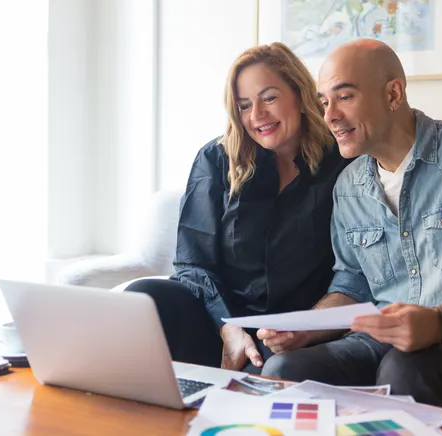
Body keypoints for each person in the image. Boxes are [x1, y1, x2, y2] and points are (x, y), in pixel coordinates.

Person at [257, 39, 442, 414]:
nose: (329, 115)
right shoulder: (348, 186)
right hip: (383, 343)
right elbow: (352, 282)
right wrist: (308, 327)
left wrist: (441, 323)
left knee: (405, 370)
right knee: (283, 369)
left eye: (345, 97)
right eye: (324, 102)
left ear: (393, 94)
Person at [126, 42, 349, 374]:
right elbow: (193, 263)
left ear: (300, 95)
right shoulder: (215, 159)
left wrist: (304, 327)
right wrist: (228, 325)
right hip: (219, 318)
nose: (256, 116)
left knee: (274, 369)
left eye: (269, 98)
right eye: (244, 105)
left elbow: (352, 270)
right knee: (143, 295)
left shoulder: (342, 161)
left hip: (291, 329)